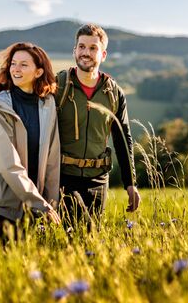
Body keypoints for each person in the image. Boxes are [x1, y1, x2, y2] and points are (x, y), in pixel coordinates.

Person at [0, 42, 61, 244]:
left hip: (31, 201)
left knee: (29, 262)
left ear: (39, 72)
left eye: (23, 64)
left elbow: (52, 160)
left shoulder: (48, 105)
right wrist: (40, 204)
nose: (16, 69)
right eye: (13, 63)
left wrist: (51, 204)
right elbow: (8, 164)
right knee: (10, 259)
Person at [56, 23, 140, 227]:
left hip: (98, 179)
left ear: (103, 54)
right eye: (82, 47)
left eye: (93, 48)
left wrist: (130, 184)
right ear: (74, 50)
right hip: (63, 177)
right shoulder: (58, 85)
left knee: (90, 237)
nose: (86, 52)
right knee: (75, 233)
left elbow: (123, 138)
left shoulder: (114, 93)